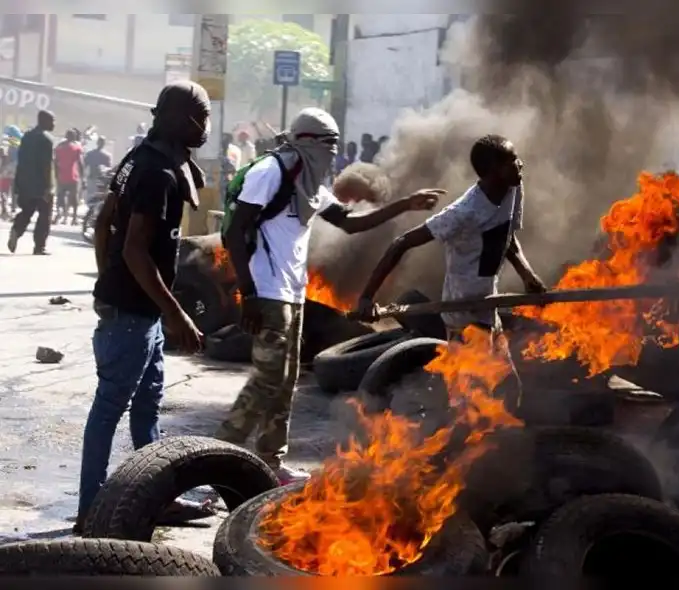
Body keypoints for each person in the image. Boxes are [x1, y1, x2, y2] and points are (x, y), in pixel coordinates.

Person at [215, 107, 444, 484]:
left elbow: (349, 223)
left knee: (285, 382)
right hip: (267, 293)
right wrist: (249, 292)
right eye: (328, 144)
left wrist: (404, 205)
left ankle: (271, 461)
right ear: (307, 141)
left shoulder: (307, 181)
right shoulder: (269, 173)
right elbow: (238, 232)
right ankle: (215, 463)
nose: (332, 153)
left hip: (292, 293)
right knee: (266, 382)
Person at [75, 81, 212, 533]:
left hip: (137, 311)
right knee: (109, 407)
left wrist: (105, 282)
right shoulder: (156, 172)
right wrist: (176, 312)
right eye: (203, 117)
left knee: (147, 406)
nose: (207, 127)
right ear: (183, 120)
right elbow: (134, 249)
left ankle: (154, 496)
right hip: (133, 314)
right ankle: (91, 509)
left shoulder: (137, 159)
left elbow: (102, 224)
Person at [354, 135, 546, 410]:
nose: (520, 165)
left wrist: (528, 276)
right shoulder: (464, 212)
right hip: (463, 313)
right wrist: (366, 298)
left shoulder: (512, 187)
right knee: (472, 398)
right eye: (512, 161)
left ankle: (486, 442)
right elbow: (401, 244)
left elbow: (507, 238)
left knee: (508, 388)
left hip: (487, 307)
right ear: (493, 170)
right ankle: (456, 446)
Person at [7, 110, 56, 255]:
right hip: (41, 185)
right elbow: (47, 165)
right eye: (52, 121)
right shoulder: (46, 139)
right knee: (44, 215)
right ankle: (39, 246)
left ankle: (17, 229)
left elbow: (20, 160)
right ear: (44, 121)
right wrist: (49, 186)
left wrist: (17, 183)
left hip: (25, 183)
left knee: (27, 211)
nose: (54, 124)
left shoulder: (26, 137)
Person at [54, 128, 85, 225]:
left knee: (60, 196)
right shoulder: (77, 148)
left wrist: (56, 174)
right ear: (74, 137)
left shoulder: (59, 147)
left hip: (61, 176)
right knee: (74, 197)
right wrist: (83, 177)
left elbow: (55, 162)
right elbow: (80, 163)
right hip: (73, 176)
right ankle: (74, 218)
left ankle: (61, 214)